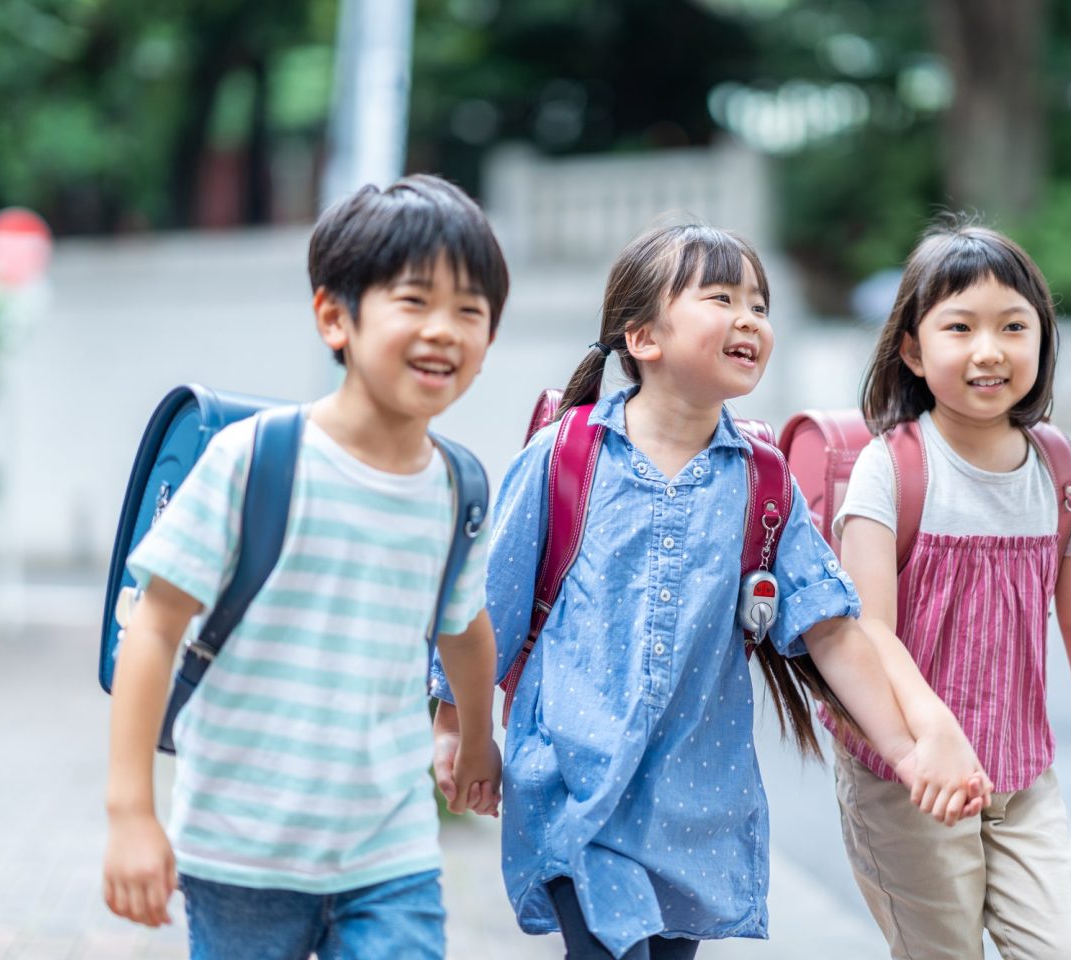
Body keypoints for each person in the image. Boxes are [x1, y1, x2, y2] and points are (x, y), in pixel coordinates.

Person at [431, 223, 989, 960]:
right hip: (574, 783)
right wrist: (459, 732)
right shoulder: (566, 457)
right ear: (643, 337)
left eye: (759, 304)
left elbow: (829, 629)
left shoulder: (760, 477)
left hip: (696, 804)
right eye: (721, 298)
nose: (750, 319)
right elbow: (485, 605)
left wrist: (909, 753)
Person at [102, 175, 508, 959]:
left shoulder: (458, 488)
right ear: (334, 316)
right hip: (241, 850)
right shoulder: (252, 459)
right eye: (415, 301)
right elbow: (152, 632)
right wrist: (130, 813)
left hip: (390, 853)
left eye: (471, 311)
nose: (445, 331)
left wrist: (475, 736)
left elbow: (465, 630)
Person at [830, 217, 1071, 960]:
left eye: (1013, 326)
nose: (989, 350)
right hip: (909, 785)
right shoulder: (890, 467)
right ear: (911, 346)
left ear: (1041, 339)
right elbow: (871, 630)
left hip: (1021, 777)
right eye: (959, 327)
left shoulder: (1059, 470)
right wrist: (934, 733)